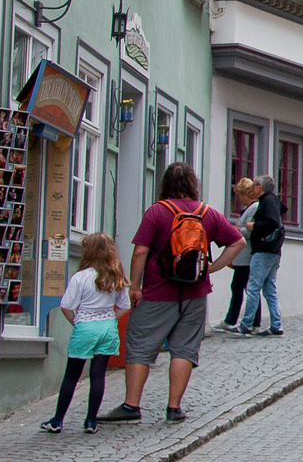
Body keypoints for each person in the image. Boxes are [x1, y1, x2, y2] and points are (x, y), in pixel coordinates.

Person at [99, 162, 244, 424]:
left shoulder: (157, 212)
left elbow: (141, 251)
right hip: (195, 293)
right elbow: (238, 241)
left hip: (157, 292)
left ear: (165, 184)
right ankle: (174, 408)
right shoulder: (207, 213)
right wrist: (211, 268)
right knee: (185, 350)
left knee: (140, 345)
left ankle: (131, 405)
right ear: (193, 185)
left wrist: (135, 286)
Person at [41, 233, 130, 434]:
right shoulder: (116, 275)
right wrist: (109, 317)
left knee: (72, 375)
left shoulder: (80, 277)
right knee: (98, 375)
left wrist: (78, 322)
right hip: (107, 327)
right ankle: (91, 421)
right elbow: (125, 305)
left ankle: (57, 420)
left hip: (85, 327)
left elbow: (66, 306)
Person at [239, 175, 285, 336]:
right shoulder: (271, 200)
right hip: (273, 251)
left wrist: (254, 226)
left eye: (256, 184)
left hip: (264, 251)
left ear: (261, 187)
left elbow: (273, 223)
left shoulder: (267, 201)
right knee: (269, 288)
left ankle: (246, 324)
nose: (254, 187)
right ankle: (276, 325)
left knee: (253, 287)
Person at [218, 178, 261, 333]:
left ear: (245, 194)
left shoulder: (254, 207)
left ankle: (253, 322)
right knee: (237, 287)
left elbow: (251, 232)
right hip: (242, 257)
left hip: (247, 256)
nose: (238, 198)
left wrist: (236, 230)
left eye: (239, 195)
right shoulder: (248, 208)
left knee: (250, 289)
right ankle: (231, 320)